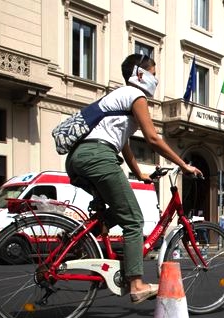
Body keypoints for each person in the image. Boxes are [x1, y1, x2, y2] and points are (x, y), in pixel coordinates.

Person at [66, 54, 202, 304]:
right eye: (153, 72)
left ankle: (75, 241)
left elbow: (123, 143)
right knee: (134, 219)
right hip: (97, 156)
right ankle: (137, 284)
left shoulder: (120, 97)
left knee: (118, 210)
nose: (156, 77)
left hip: (79, 158)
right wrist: (183, 165)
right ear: (141, 74)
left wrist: (139, 172)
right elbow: (153, 139)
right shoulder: (135, 96)